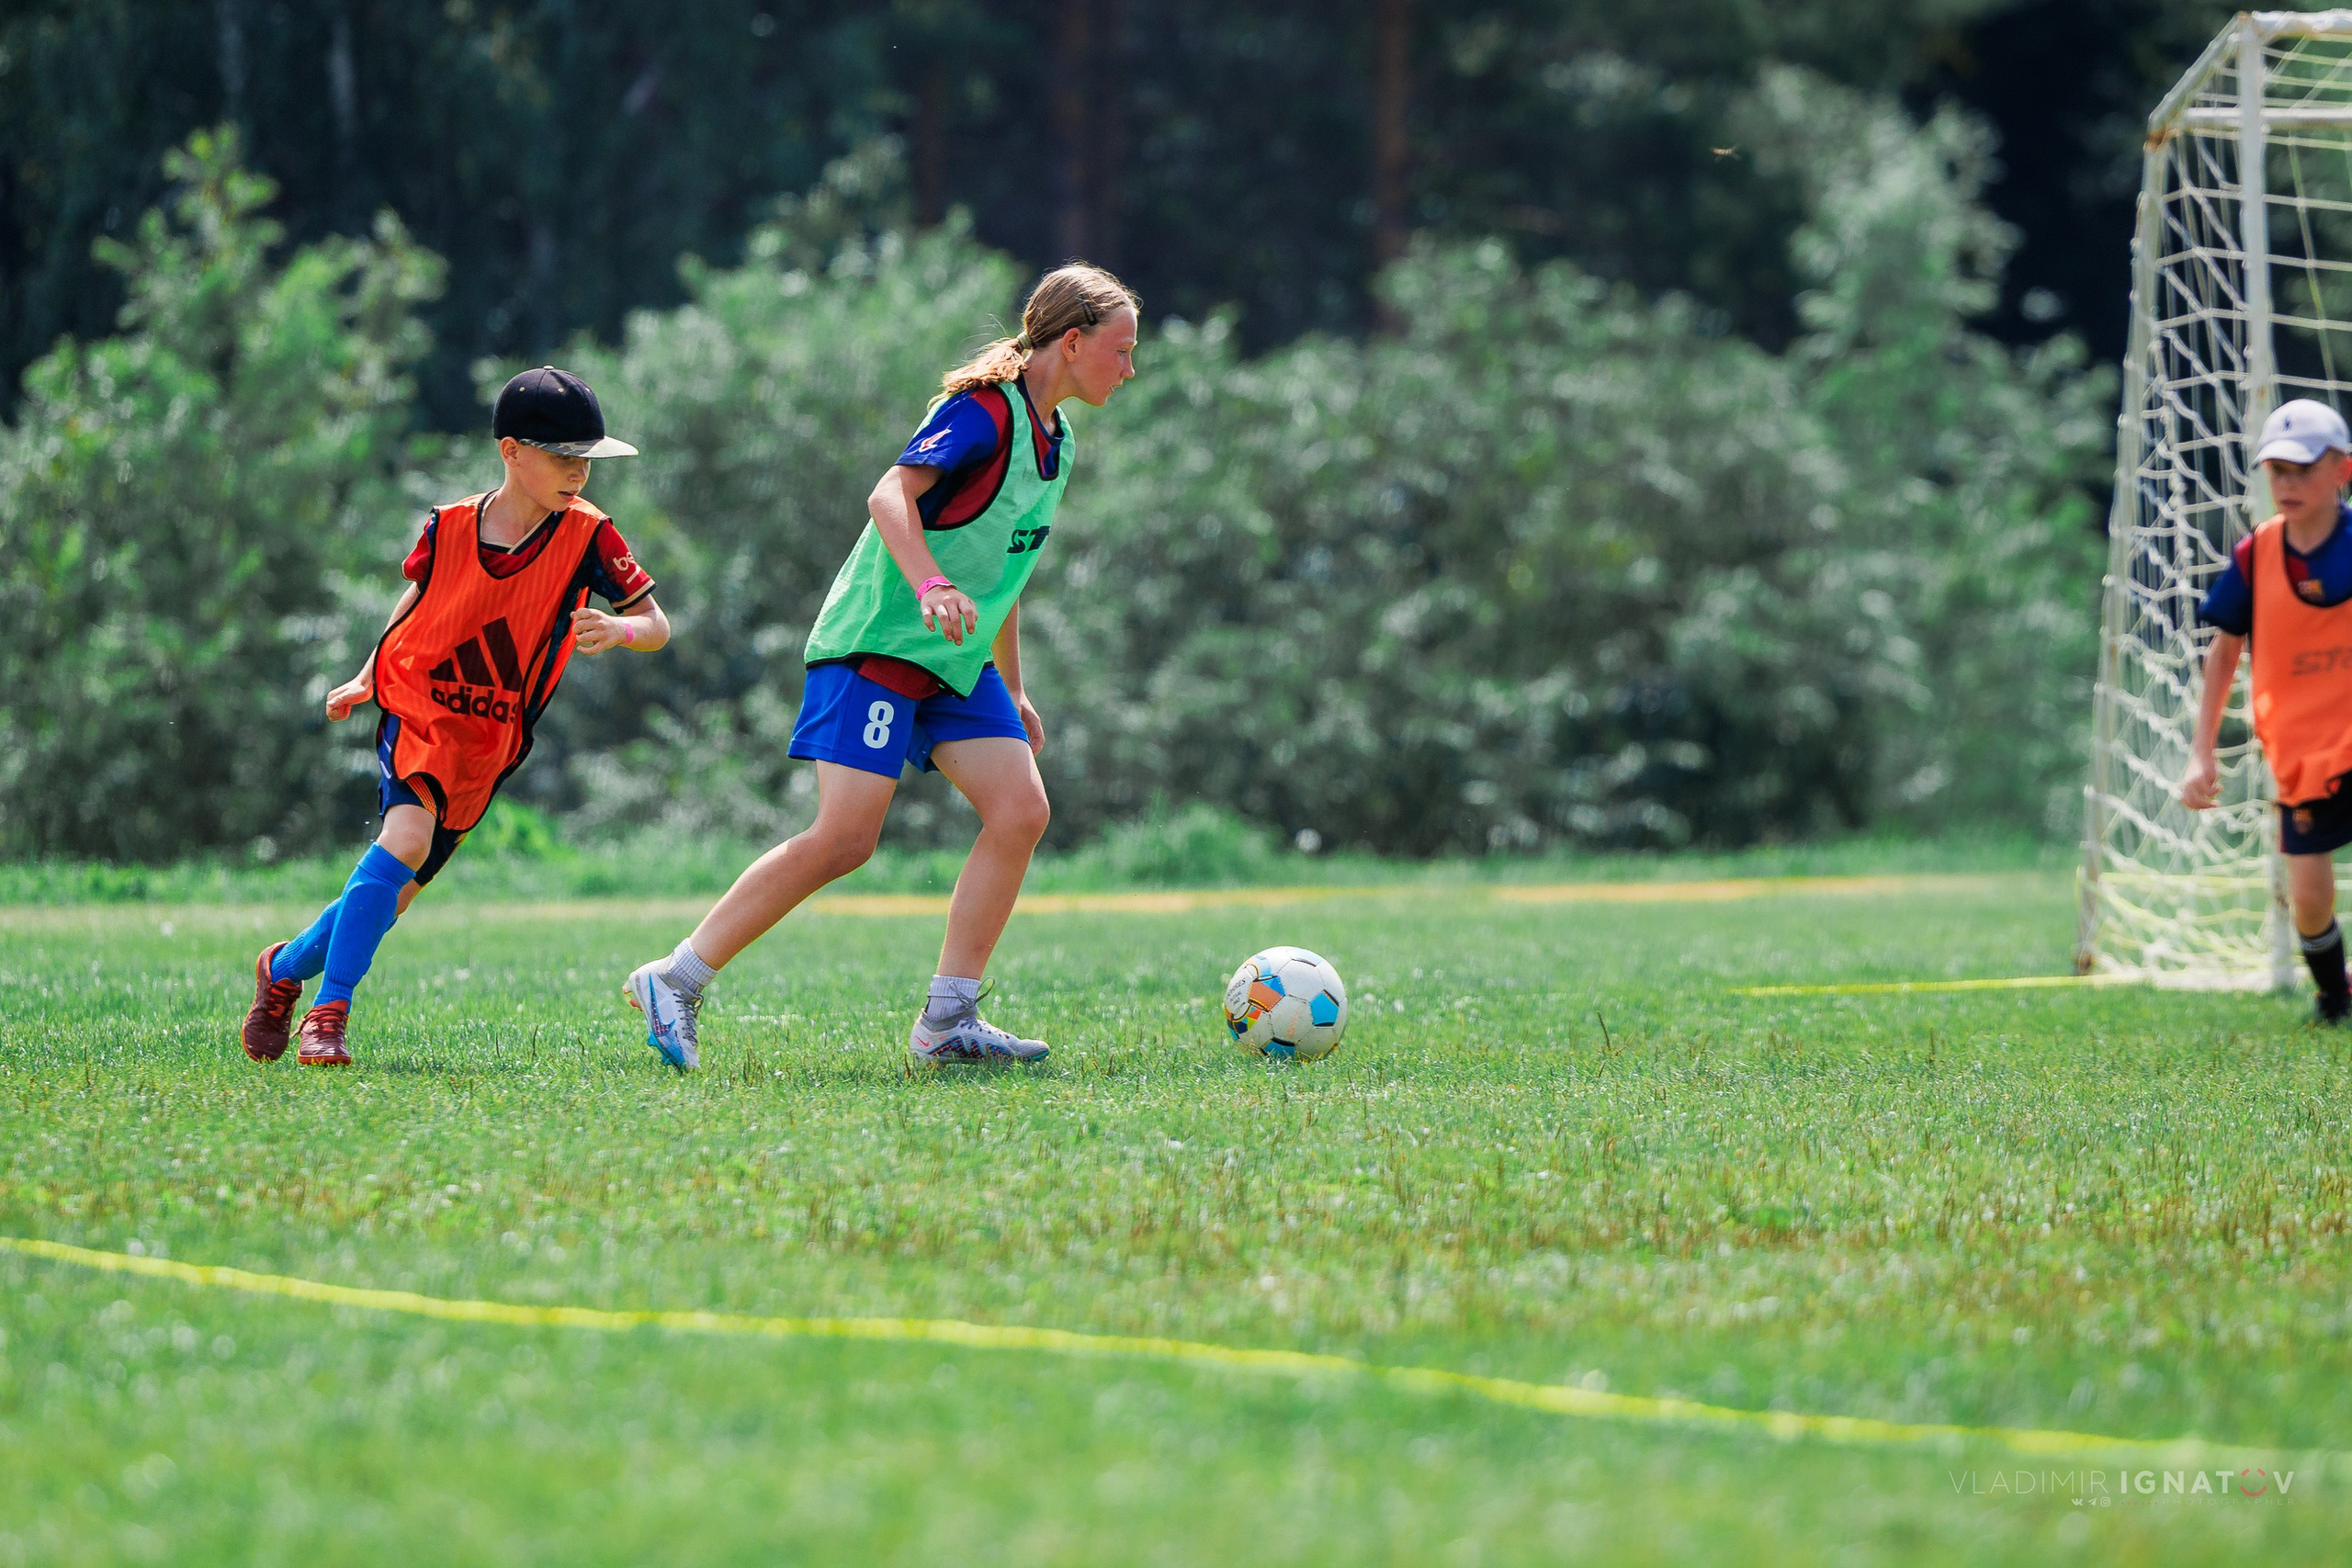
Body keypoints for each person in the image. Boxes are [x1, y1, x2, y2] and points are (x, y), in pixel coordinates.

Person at [622, 263, 1139, 1070]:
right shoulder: (981, 413)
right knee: (844, 839)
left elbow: (1004, 573)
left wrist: (1015, 685)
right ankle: (675, 978)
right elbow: (889, 495)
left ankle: (948, 1021)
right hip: (879, 642)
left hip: (958, 664)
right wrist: (929, 582)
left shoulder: (1059, 443)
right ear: (1073, 343)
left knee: (1020, 809)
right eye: (1122, 349)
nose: (1129, 368)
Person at [241, 367, 670, 1066]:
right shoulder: (449, 525)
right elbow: (415, 603)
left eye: (586, 460)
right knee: (405, 838)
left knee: (389, 897)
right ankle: (328, 1014)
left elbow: (656, 622)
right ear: (511, 451)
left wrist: (620, 632)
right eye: (564, 457)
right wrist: (367, 674)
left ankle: (282, 970)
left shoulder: (591, 536)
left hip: (489, 740)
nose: (578, 474)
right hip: (419, 707)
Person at [2183, 397, 2352, 1022]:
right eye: (2276, 470)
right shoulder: (2256, 555)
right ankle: (2335, 996)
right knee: (2308, 900)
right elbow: (2224, 653)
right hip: (2301, 751)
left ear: (2343, 469)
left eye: (2302, 468)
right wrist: (2201, 751)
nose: (2286, 482)